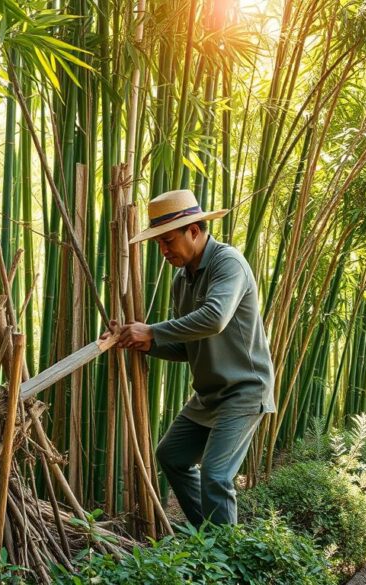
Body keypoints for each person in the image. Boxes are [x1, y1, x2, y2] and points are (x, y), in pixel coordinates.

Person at [102, 189, 275, 526]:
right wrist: (139, 342)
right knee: (172, 455)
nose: (164, 251)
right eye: (158, 244)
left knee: (216, 475)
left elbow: (214, 318)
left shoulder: (228, 263)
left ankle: (226, 560)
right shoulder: (181, 281)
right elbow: (186, 346)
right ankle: (208, 537)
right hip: (209, 394)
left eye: (168, 241)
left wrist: (151, 330)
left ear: (194, 231)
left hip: (244, 390)